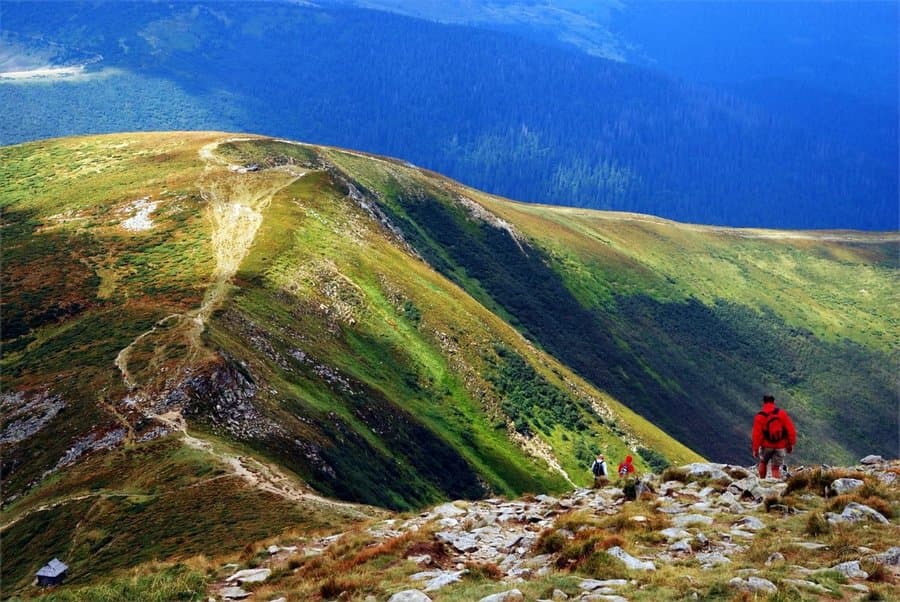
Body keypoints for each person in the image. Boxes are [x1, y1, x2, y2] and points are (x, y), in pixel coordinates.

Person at [752, 394, 797, 479]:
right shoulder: (781, 413)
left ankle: (762, 481)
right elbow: (790, 430)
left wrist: (755, 449)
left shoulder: (760, 416)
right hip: (780, 446)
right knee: (775, 468)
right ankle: (775, 484)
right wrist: (790, 444)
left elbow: (756, 434)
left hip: (766, 446)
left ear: (763, 402)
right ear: (774, 402)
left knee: (763, 462)